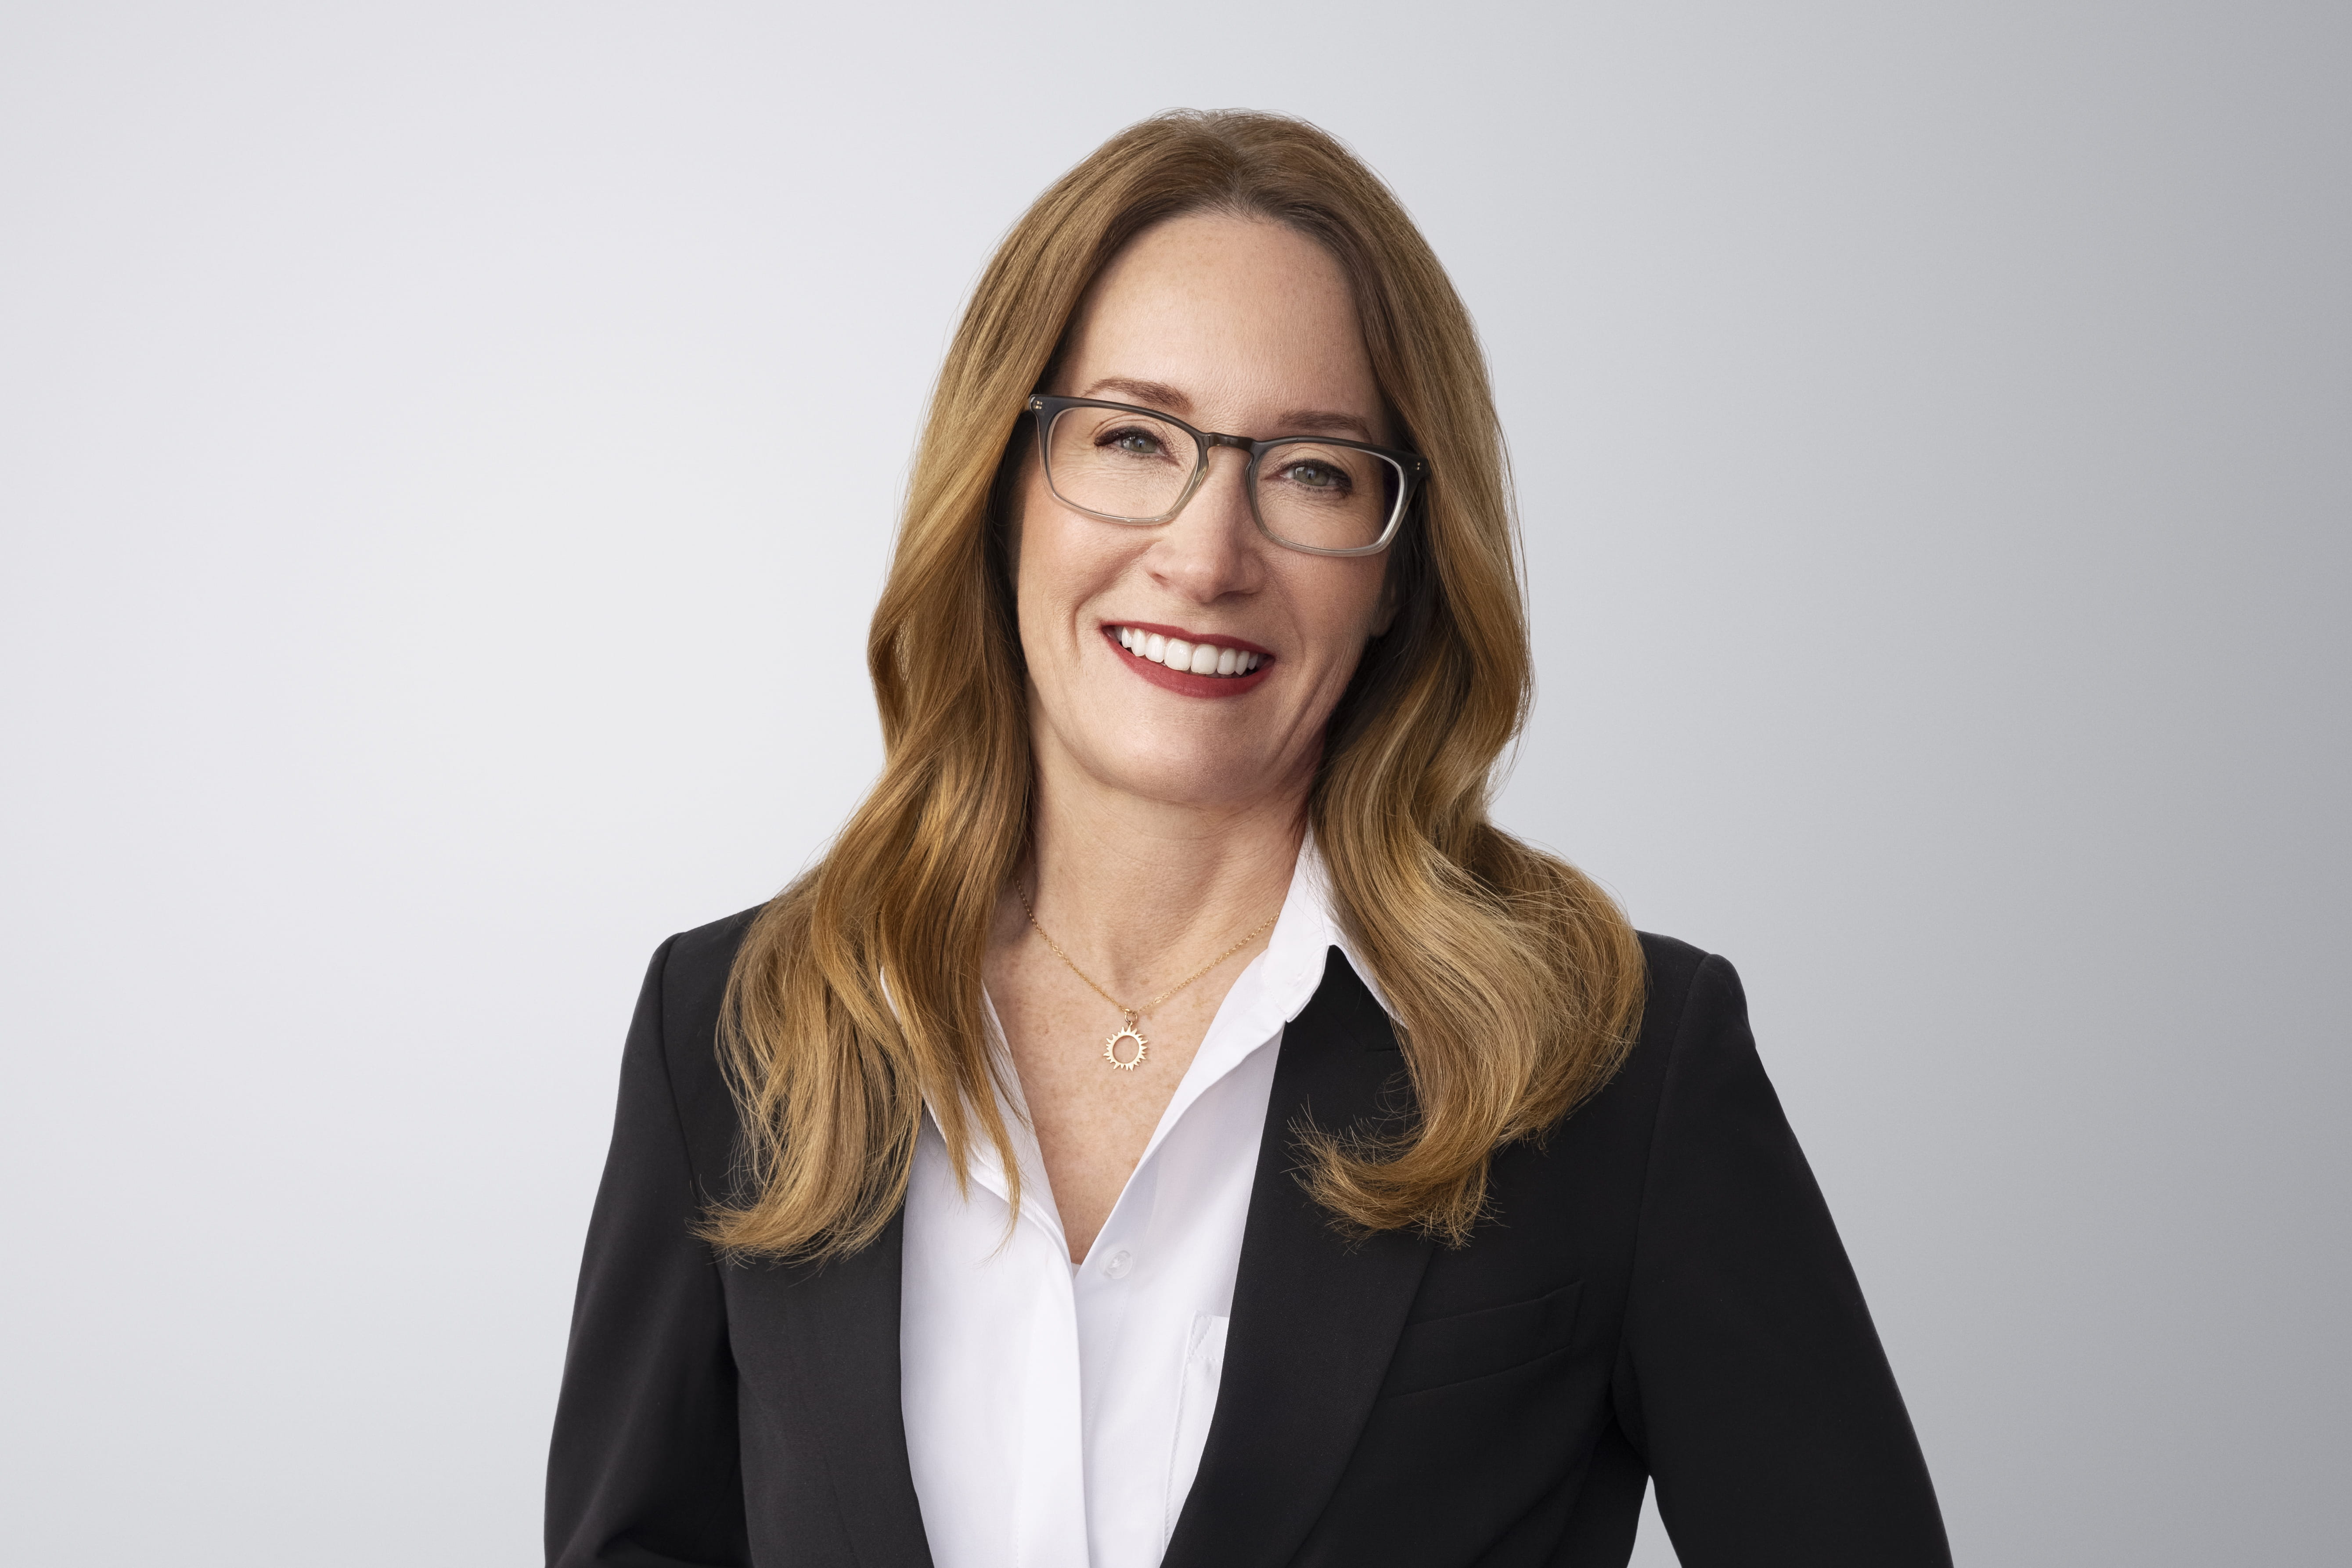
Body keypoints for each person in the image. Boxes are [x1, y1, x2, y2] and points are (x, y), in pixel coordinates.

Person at [545, 109, 1951, 1568]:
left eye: (1313, 472)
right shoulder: (730, 1036)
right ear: (1003, 485)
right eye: (1133, 439)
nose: (1208, 555)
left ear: (1401, 569)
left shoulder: (1618, 1069)